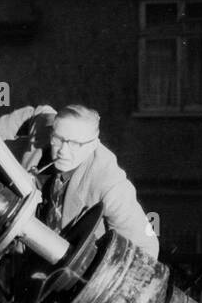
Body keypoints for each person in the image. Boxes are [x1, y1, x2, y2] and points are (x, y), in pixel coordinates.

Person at [39, 104, 158, 258]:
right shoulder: (45, 148)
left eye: (75, 144)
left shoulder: (110, 184)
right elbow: (33, 115)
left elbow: (145, 249)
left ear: (93, 145)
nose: (63, 151)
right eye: (58, 139)